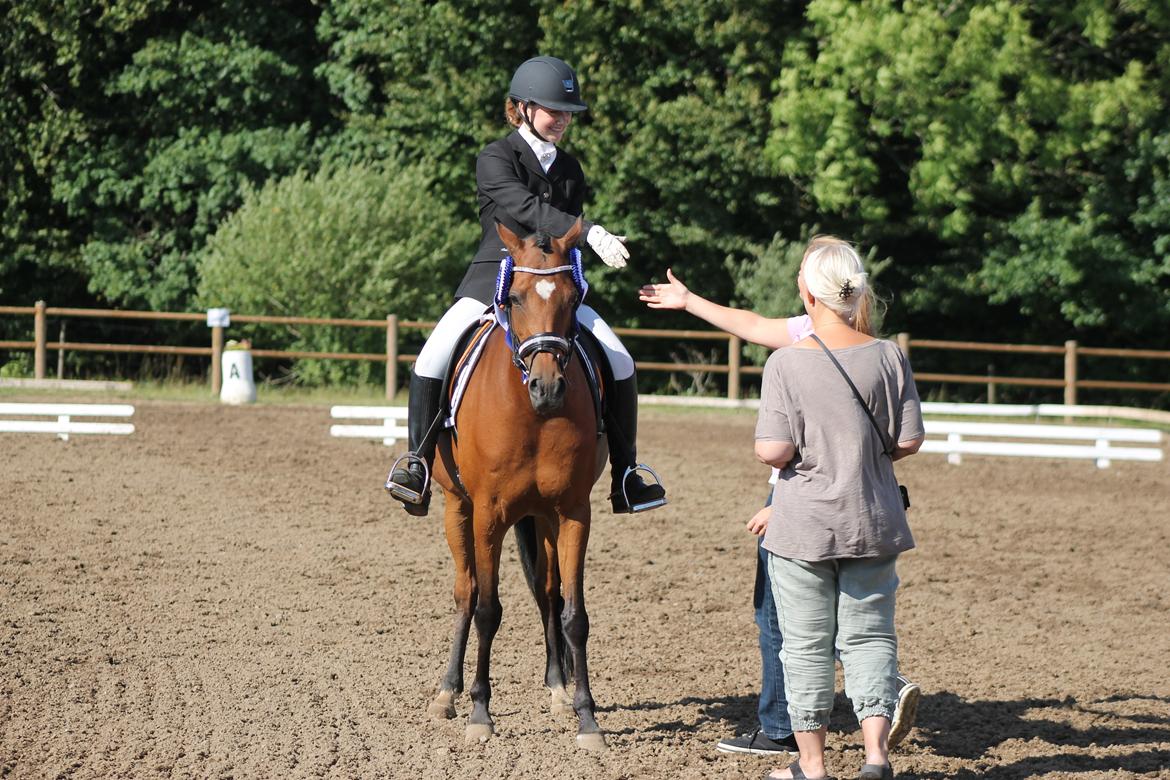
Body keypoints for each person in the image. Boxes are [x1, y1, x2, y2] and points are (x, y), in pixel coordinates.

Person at [638, 237, 922, 767]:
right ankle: (877, 760)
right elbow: (907, 440)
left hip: (805, 521)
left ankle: (810, 767)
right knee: (871, 636)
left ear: (808, 292)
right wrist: (857, 460)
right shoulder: (888, 354)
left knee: (805, 645)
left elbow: (774, 449)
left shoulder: (789, 361)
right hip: (874, 519)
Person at [385, 55, 666, 517]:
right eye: (553, 111)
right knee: (432, 354)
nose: (562, 120)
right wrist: (589, 229)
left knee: (619, 358)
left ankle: (627, 473)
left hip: (552, 287)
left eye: (567, 113)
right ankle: (416, 461)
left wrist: (578, 252)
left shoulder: (571, 169)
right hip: (493, 279)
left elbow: (558, 238)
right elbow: (525, 208)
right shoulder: (495, 157)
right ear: (522, 108)